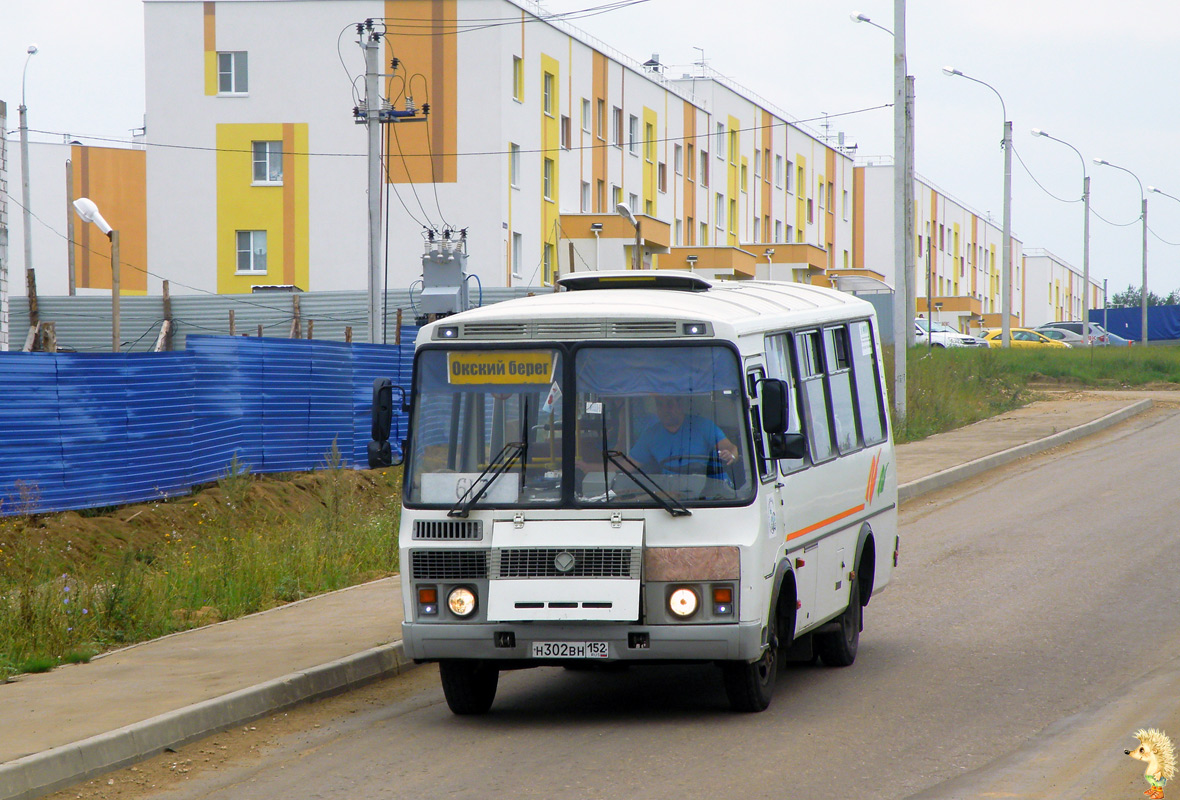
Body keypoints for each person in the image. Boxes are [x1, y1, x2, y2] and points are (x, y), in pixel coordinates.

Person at [629, 395, 739, 478]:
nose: (665, 409)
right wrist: (611, 467)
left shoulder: (704, 426)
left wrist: (731, 456)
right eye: (659, 404)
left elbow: (731, 449)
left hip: (712, 496)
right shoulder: (651, 435)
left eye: (669, 404)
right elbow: (628, 464)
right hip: (670, 497)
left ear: (680, 405)